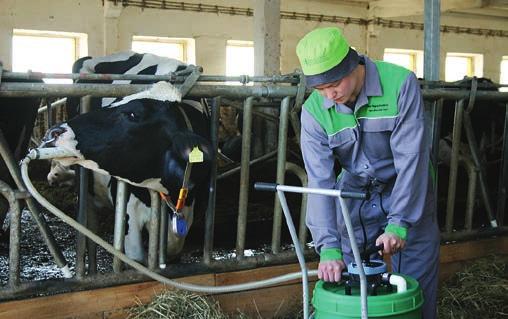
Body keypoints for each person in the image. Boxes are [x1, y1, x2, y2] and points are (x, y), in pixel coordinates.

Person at [296, 27, 440, 319]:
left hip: (409, 190)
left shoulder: (399, 83)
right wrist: (328, 247)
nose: (329, 94)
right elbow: (320, 181)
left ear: (353, 64)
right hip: (356, 194)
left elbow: (411, 159)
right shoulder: (314, 111)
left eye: (334, 83)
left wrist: (400, 222)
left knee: (414, 285)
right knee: (354, 281)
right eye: (320, 88)